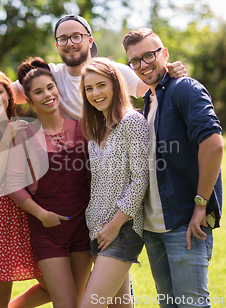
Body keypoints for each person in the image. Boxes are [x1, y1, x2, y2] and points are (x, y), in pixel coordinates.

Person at [122, 28, 224, 308]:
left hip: (185, 223)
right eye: (135, 61)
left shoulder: (184, 88)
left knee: (192, 305)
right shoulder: (149, 101)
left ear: (164, 53)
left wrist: (201, 205)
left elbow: (213, 145)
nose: (143, 64)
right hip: (154, 229)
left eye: (149, 55)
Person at [6, 57, 93, 308]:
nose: (47, 95)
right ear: (29, 100)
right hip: (47, 230)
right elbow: (12, 184)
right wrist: (42, 214)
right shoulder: (23, 135)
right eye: (38, 92)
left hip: (82, 227)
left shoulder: (82, 128)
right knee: (64, 303)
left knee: (76, 302)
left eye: (50, 87)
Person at [0, 68, 50, 308]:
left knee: (54, 286)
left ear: (8, 94)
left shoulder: (25, 126)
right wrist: (7, 139)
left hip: (29, 213)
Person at [11, 14, 187, 120]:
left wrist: (169, 70)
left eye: (76, 36)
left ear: (89, 41)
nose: (69, 43)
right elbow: (2, 96)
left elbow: (154, 87)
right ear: (57, 46)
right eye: (63, 39)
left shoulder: (113, 71)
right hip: (70, 165)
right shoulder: (49, 76)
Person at [78, 57, 149, 308]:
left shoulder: (133, 122)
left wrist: (115, 225)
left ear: (115, 85)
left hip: (122, 229)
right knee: (120, 305)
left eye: (101, 85)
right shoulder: (95, 128)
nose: (95, 93)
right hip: (97, 226)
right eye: (89, 88)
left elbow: (141, 180)